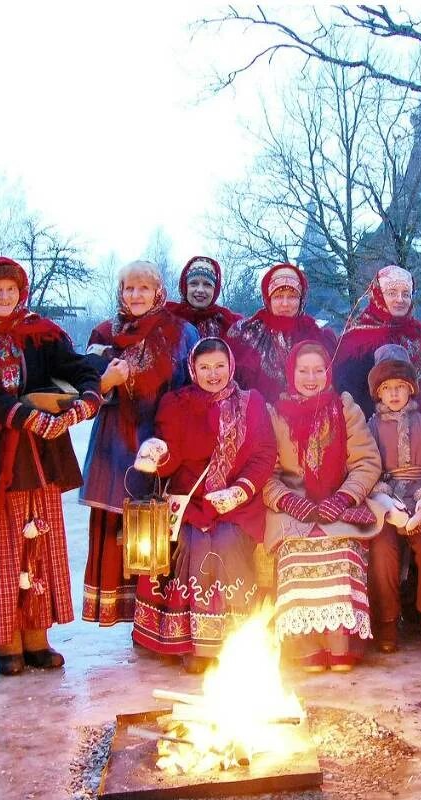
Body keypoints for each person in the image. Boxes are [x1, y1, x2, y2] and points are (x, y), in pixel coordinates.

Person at [0, 257, 103, 675]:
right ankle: (6, 639)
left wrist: (87, 396)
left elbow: (76, 366)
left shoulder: (41, 333)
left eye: (11, 290)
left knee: (40, 544)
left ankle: (37, 636)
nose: (4, 296)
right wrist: (23, 414)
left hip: (38, 455)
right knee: (0, 549)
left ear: (21, 292)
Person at [129, 337, 278, 673]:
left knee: (225, 541)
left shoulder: (251, 403)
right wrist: (156, 453)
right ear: (193, 370)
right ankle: (188, 640)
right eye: (205, 367)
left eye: (220, 366)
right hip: (189, 501)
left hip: (238, 503)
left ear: (231, 367)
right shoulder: (176, 403)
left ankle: (233, 639)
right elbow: (170, 461)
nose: (213, 374)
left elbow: (264, 454)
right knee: (194, 541)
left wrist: (239, 491)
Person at [80, 260, 200, 627]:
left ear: (158, 292)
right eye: (130, 288)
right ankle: (128, 616)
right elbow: (83, 391)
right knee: (120, 532)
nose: (136, 295)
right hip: (116, 442)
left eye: (144, 288)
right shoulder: (104, 334)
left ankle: (160, 616)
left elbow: (192, 387)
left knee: (162, 527)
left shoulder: (181, 333)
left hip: (163, 436)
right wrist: (106, 381)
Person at [262, 341, 384, 671]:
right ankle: (304, 647)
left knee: (343, 552)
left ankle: (341, 646)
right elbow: (264, 471)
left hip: (339, 507)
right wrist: (287, 499)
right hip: (293, 510)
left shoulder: (345, 407)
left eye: (318, 370)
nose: (311, 377)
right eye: (303, 371)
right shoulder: (275, 413)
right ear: (291, 373)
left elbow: (367, 462)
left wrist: (344, 497)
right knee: (295, 556)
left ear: (328, 373)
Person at [364, 345, 421, 652]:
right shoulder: (370, 427)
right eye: (387, 389)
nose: (394, 394)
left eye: (400, 387)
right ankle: (386, 621)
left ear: (411, 389)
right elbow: (368, 469)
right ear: (378, 393)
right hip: (385, 504)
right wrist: (386, 504)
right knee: (382, 547)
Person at [331, 265, 421, 417]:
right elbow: (349, 395)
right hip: (375, 433)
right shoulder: (357, 340)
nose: (400, 299)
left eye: (406, 294)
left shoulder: (418, 336)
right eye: (391, 293)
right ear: (378, 295)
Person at [226, 263, 337, 403]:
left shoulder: (317, 336)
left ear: (301, 299)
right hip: (257, 419)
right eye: (278, 296)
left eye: (292, 296)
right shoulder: (244, 334)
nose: (285, 304)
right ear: (268, 298)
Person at [165, 255, 242, 340]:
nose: (200, 290)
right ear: (185, 287)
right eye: (194, 283)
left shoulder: (228, 322)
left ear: (215, 289)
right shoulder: (168, 318)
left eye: (207, 284)